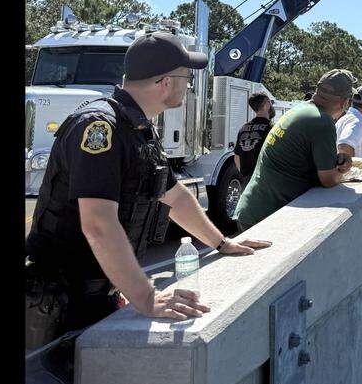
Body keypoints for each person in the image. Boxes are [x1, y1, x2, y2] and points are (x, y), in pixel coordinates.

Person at [25, 31, 270, 356]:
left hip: (97, 292)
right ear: (165, 82)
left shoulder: (138, 129)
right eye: (187, 77)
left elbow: (175, 196)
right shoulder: (101, 127)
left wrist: (222, 243)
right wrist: (147, 297)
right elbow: (98, 224)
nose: (190, 85)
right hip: (59, 304)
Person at [234, 69, 356, 230]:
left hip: (254, 209)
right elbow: (329, 180)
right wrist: (343, 171)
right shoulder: (322, 121)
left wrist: (337, 162)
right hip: (267, 216)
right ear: (344, 102)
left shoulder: (301, 110)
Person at [234, 93, 275, 181]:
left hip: (247, 181)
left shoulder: (243, 128)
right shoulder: (272, 128)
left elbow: (237, 157)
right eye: (271, 102)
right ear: (267, 105)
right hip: (265, 180)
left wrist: (245, 176)